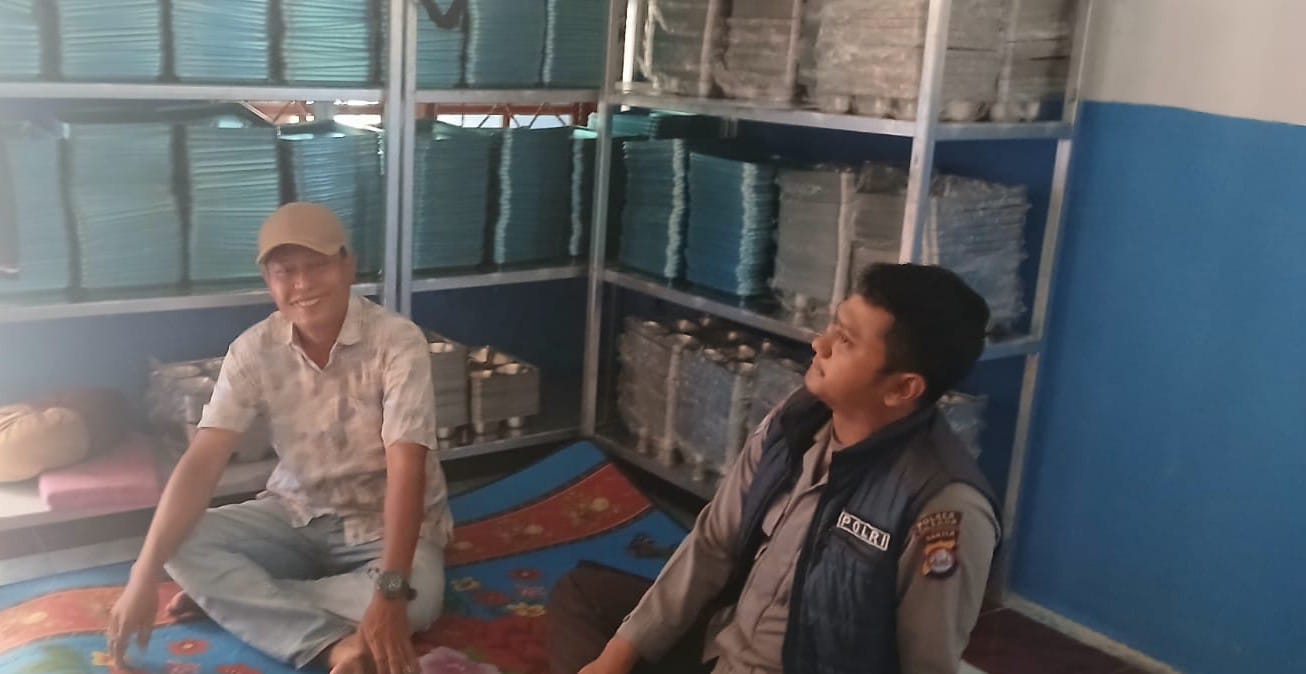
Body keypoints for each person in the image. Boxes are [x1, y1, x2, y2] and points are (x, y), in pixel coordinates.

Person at [549, 263, 1002, 674]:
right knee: (584, 596)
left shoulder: (943, 505)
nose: (820, 344)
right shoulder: (796, 421)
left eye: (846, 341)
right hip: (723, 645)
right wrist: (615, 658)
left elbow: (927, 666)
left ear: (903, 388)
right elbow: (714, 545)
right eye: (834, 326)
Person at [107, 203, 451, 674]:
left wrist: (390, 592)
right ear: (269, 281)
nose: (303, 284)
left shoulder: (397, 342)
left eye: (317, 266)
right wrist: (142, 577)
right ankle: (331, 645)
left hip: (381, 528)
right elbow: (202, 462)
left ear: (348, 266)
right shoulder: (253, 350)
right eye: (285, 271)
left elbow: (407, 468)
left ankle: (242, 601)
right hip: (295, 513)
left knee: (418, 600)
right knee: (176, 544)